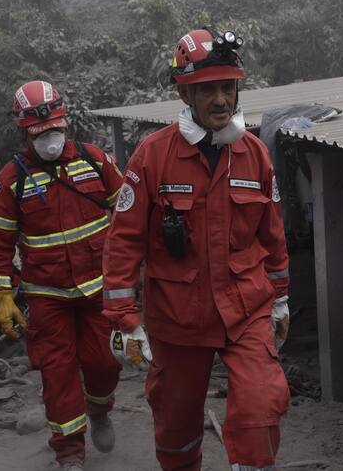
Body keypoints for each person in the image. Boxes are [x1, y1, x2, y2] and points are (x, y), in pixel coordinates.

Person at [103, 28, 291, 471]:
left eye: (228, 88)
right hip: (178, 317)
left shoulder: (255, 155)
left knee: (262, 404)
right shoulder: (152, 156)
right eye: (208, 90)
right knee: (176, 425)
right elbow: (124, 240)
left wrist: (280, 299)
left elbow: (273, 235)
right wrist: (124, 320)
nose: (221, 100)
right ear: (185, 93)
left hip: (245, 310)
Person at [0, 80, 124, 471]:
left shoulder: (96, 161)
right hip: (47, 297)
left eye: (55, 129)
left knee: (105, 363)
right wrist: (2, 296)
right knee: (57, 374)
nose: (50, 138)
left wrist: (134, 272)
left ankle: (99, 410)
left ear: (66, 122)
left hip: (99, 292)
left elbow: (128, 215)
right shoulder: (12, 179)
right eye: (40, 132)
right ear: (24, 132)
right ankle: (70, 453)